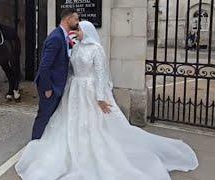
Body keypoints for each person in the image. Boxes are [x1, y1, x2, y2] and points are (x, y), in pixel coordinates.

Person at [15, 21, 198, 180]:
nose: (76, 32)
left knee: (94, 126)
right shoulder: (76, 47)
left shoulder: (97, 49)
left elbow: (101, 75)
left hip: (89, 91)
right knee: (69, 123)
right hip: (74, 90)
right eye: (76, 29)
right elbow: (71, 70)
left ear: (86, 31)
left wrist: (101, 98)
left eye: (79, 29)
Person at [31, 9, 80, 140]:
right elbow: (44, 66)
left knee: (50, 116)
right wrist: (47, 88)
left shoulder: (63, 36)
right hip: (50, 86)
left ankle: (43, 142)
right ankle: (34, 143)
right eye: (76, 19)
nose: (77, 22)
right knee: (44, 116)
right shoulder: (56, 38)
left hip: (56, 85)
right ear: (68, 19)